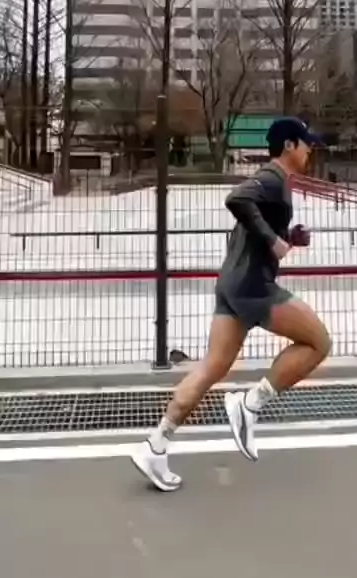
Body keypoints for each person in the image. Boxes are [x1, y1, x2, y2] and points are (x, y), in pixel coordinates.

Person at [132, 117, 332, 491]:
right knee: (319, 342)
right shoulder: (271, 178)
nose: (311, 150)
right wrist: (274, 242)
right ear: (289, 145)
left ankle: (155, 445)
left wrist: (288, 236)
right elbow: (236, 199)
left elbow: (251, 222)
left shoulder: (275, 183)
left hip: (231, 283)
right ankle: (250, 404)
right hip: (253, 286)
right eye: (306, 143)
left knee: (212, 367)